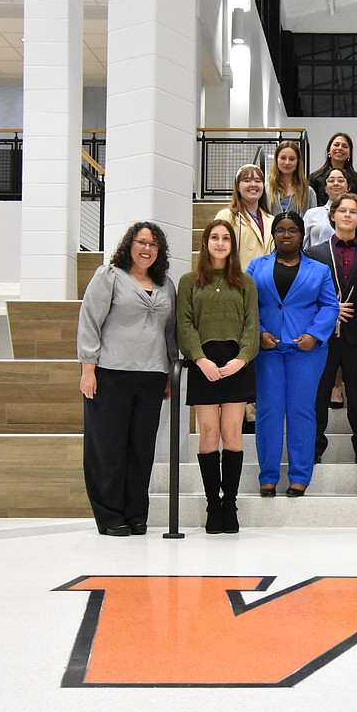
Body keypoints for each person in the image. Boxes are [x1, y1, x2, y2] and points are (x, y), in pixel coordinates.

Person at [77, 221, 177, 537]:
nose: (146, 249)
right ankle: (109, 515)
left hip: (151, 376)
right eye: (141, 242)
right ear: (129, 245)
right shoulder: (109, 277)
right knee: (107, 448)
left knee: (141, 449)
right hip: (110, 374)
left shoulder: (166, 285)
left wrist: (169, 372)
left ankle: (136, 514)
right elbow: (90, 320)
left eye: (153, 244)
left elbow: (169, 331)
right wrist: (88, 368)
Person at [247, 211, 340, 496]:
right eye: (280, 230)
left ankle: (300, 475)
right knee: (268, 411)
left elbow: (330, 306)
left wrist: (314, 334)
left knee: (301, 411)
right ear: (273, 235)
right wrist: (259, 331)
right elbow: (246, 303)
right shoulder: (255, 266)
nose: (286, 235)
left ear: (302, 235)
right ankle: (268, 476)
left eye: (293, 230)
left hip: (306, 350)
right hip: (268, 349)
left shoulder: (320, 269)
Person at [176, 219, 259, 535]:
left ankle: (231, 504)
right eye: (215, 237)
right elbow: (184, 325)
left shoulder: (245, 283)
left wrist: (242, 358)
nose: (221, 243)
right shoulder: (189, 282)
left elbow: (252, 324)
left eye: (226, 238)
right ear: (205, 243)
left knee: (232, 435)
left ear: (232, 246)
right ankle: (214, 504)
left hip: (236, 363)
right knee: (209, 434)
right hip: (204, 366)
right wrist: (199, 358)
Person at [304, 193, 357, 464]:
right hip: (323, 336)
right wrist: (329, 310)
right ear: (332, 215)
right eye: (342, 210)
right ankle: (312, 450)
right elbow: (304, 296)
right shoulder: (314, 254)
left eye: (353, 211)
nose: (347, 215)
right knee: (317, 394)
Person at [215, 164, 273, 271]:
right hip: (236, 282)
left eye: (258, 181)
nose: (253, 184)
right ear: (237, 186)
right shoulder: (227, 216)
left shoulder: (272, 220)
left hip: (266, 284)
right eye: (247, 180)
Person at [303, 168, 357, 247]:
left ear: (348, 187)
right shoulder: (311, 214)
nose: (336, 183)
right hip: (315, 257)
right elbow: (302, 242)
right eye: (331, 181)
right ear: (325, 188)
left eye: (341, 181)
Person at [308, 132, 357, 204]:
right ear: (329, 151)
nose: (339, 148)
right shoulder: (315, 178)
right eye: (336, 145)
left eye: (344, 146)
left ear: (349, 154)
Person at [268, 141, 317, 214]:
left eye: (292, 159)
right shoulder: (266, 189)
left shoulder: (308, 192)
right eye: (283, 158)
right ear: (276, 159)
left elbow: (313, 220)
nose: (287, 162)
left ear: (298, 162)